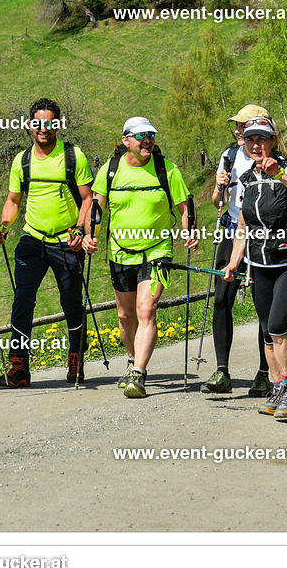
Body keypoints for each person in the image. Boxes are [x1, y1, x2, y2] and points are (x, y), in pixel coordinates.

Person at [81, 117, 197, 398]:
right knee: (125, 316)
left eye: (152, 135)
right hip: (120, 251)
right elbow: (96, 207)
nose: (148, 140)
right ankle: (132, 359)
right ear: (126, 140)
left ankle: (139, 373)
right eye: (142, 135)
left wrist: (189, 231)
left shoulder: (166, 170)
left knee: (147, 310)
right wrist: (89, 234)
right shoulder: (110, 170)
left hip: (157, 250)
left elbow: (185, 206)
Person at [0, 98, 94, 387]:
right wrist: (3, 226)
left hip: (66, 241)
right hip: (31, 238)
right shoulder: (22, 160)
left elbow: (87, 199)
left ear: (58, 125)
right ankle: (19, 367)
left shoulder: (74, 156)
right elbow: (13, 201)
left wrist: (80, 231)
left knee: (72, 303)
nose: (44, 129)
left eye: (50, 123)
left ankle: (75, 358)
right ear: (30, 125)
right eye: (38, 123)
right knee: (22, 300)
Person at [222, 116, 287, 420]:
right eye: (250, 140)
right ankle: (277, 388)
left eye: (262, 139)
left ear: (274, 140)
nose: (256, 145)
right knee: (265, 331)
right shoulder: (246, 177)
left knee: (277, 325)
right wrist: (234, 262)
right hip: (260, 262)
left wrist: (280, 174)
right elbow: (243, 225)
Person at [201, 104, 274, 397]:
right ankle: (222, 371)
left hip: (263, 235)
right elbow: (217, 201)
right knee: (221, 299)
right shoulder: (229, 155)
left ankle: (264, 373)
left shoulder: (270, 158)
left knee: (264, 307)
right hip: (232, 231)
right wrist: (218, 186)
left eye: (242, 125)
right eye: (238, 127)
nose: (237, 130)